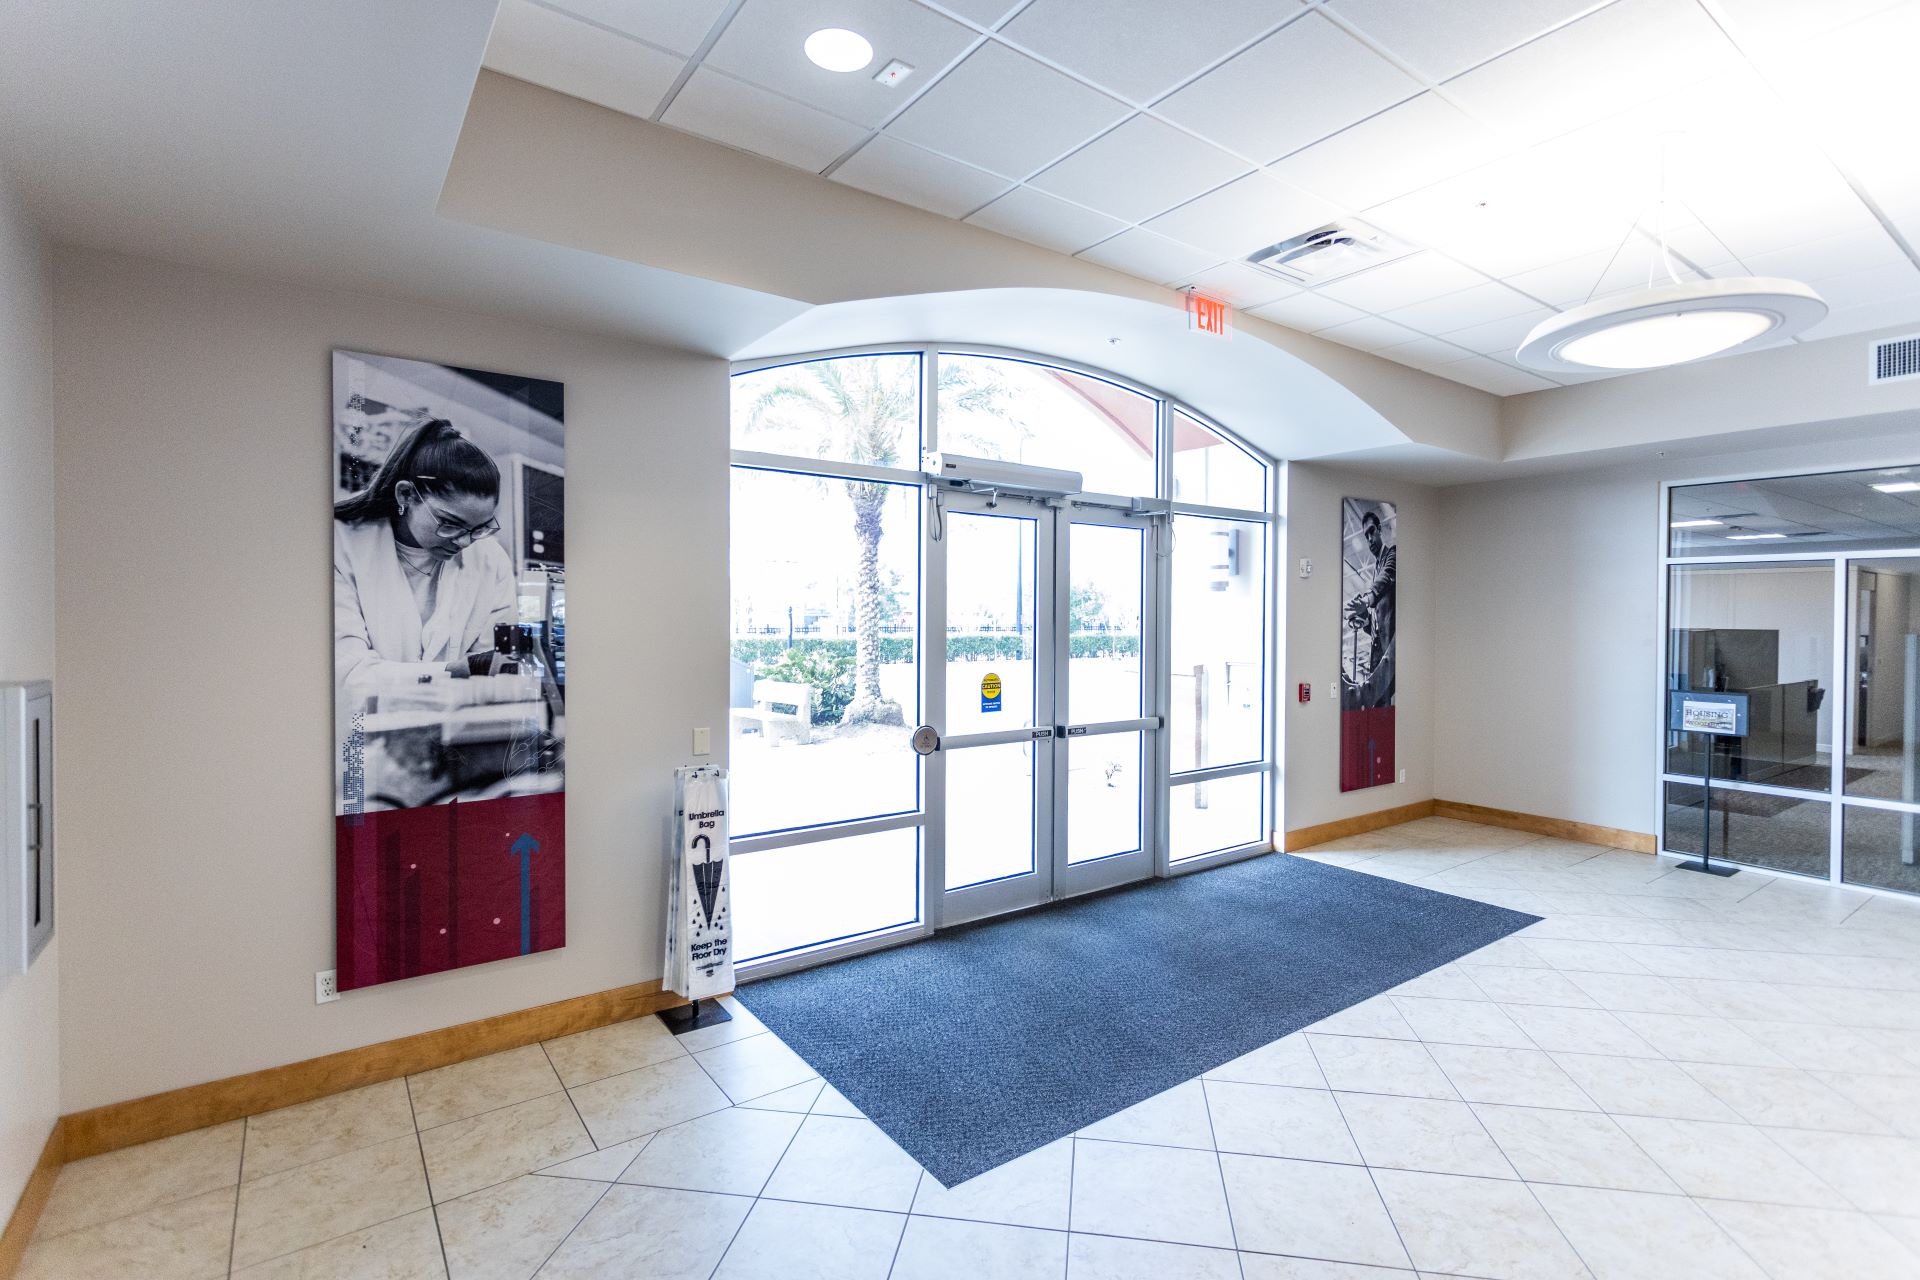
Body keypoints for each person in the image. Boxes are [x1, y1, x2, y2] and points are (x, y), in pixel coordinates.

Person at [334, 418, 516, 692]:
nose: (464, 540)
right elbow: (349, 673)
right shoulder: (341, 543)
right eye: (450, 523)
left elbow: (496, 669)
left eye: (478, 528)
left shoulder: (490, 558)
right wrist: (458, 671)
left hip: (461, 729)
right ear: (406, 495)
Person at [1343, 508, 1396, 706]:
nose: (1370, 538)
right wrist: (1364, 618)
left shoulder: (1392, 555)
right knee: (1379, 707)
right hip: (1377, 658)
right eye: (1366, 535)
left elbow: (1386, 577)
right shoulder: (1374, 571)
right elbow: (1374, 625)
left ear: (1380, 530)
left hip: (1391, 653)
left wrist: (1367, 599)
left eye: (1372, 532)